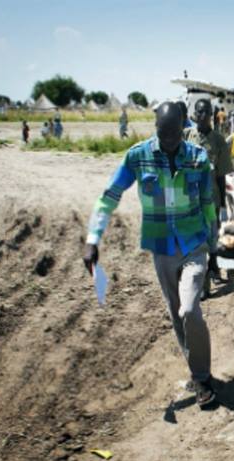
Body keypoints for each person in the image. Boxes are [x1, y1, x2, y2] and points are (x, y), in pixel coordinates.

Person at [81, 102, 219, 408]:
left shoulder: (198, 158)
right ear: (155, 126)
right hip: (162, 250)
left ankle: (203, 376)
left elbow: (209, 202)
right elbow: (109, 197)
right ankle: (198, 375)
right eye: (162, 131)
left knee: (190, 309)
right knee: (176, 315)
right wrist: (93, 238)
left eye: (174, 132)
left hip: (194, 245)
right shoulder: (138, 156)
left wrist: (214, 239)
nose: (167, 138)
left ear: (184, 126)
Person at [185, 98, 233, 283]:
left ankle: (213, 268)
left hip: (211, 199)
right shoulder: (186, 136)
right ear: (195, 115)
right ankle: (202, 282)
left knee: (212, 238)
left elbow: (221, 176)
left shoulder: (218, 141)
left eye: (206, 112)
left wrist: (222, 206)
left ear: (212, 116)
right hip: (189, 200)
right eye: (199, 112)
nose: (202, 116)